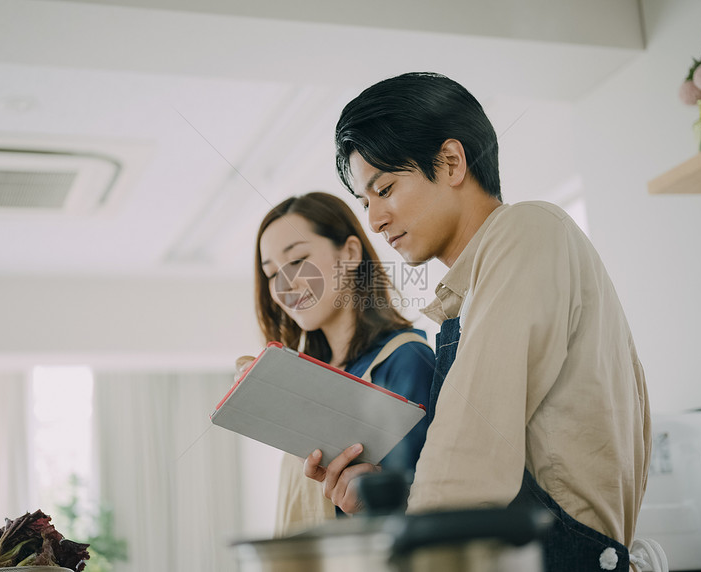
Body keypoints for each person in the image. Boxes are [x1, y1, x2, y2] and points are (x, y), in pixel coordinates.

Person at [304, 73, 651, 571]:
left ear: (451, 162)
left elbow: (470, 458)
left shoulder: (529, 230)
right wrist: (390, 504)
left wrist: (407, 546)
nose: (375, 219)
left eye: (384, 189)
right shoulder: (467, 294)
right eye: (364, 202)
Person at [247, 191, 436, 536]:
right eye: (272, 273)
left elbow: (427, 515)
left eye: (297, 260)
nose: (284, 285)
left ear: (349, 254)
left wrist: (368, 507)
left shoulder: (406, 361)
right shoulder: (307, 378)